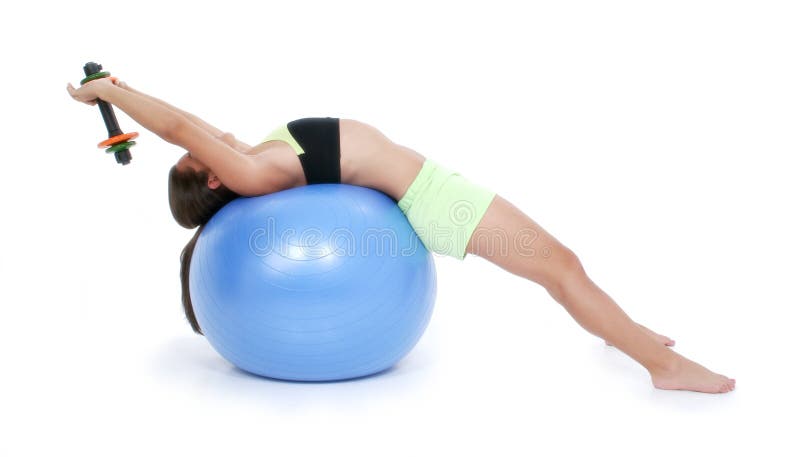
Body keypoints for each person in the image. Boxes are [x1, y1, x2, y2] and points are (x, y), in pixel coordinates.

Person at [67, 76, 736, 394]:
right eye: (199, 160)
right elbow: (180, 131)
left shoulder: (244, 152)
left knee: (563, 266)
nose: (209, 143)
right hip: (431, 202)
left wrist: (116, 89)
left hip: (435, 184)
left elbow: (191, 123)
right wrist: (115, 93)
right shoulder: (254, 176)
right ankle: (663, 366)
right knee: (561, 267)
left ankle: (638, 336)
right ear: (214, 182)